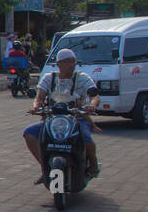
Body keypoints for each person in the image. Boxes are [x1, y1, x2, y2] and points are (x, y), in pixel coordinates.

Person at [24, 47, 100, 184]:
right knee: (29, 133)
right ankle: (45, 168)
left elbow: (94, 95)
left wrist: (92, 105)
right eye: (67, 62)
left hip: (77, 119)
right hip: (53, 120)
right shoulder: (49, 78)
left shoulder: (82, 78)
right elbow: (39, 97)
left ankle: (93, 165)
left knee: (87, 139)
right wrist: (36, 106)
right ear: (58, 64)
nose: (71, 65)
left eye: (73, 62)